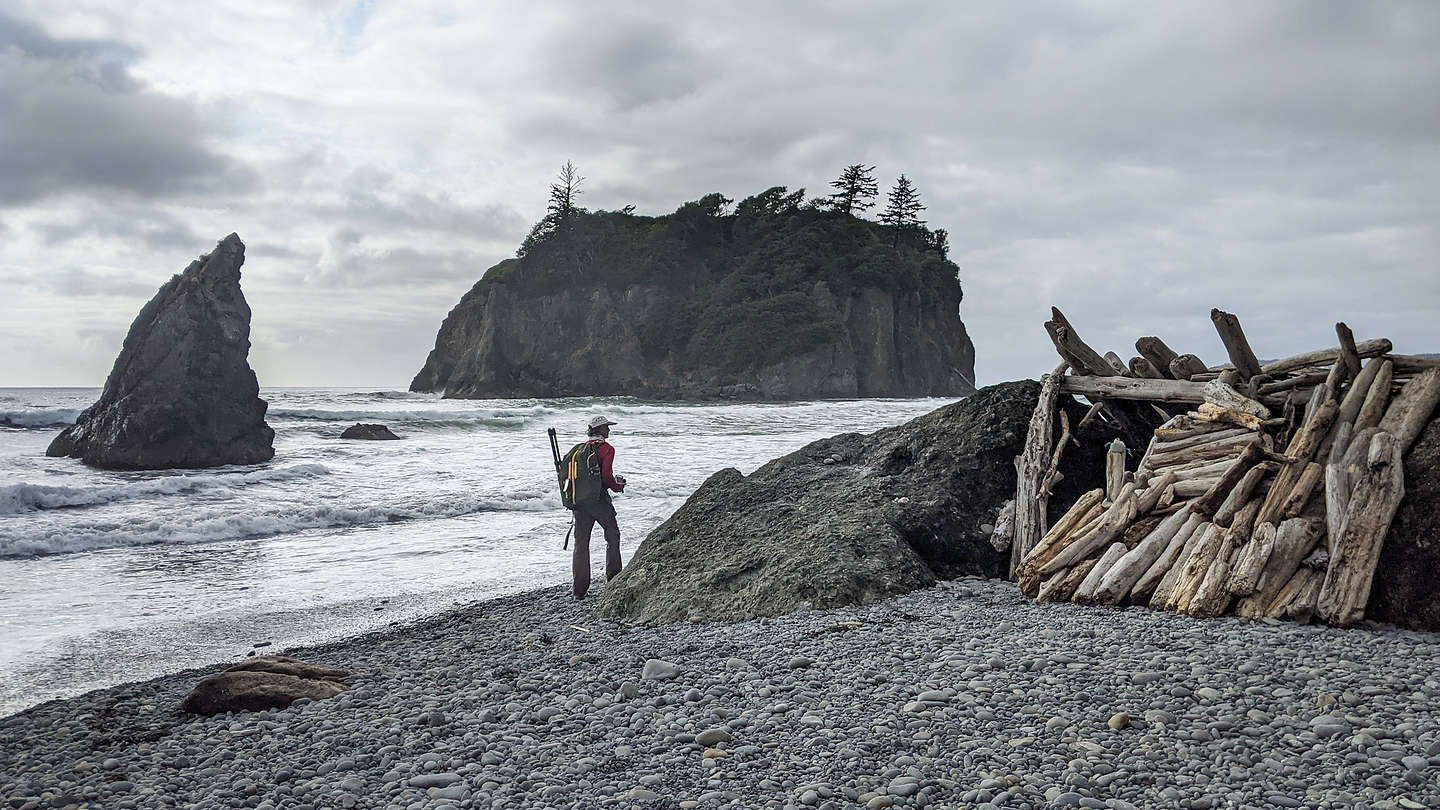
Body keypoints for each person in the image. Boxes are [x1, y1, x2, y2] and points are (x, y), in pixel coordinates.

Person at [572, 415, 626, 598]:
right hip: (599, 501)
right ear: (599, 430)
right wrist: (618, 486)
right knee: (612, 537)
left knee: (581, 544)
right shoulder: (606, 449)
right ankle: (614, 581)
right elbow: (607, 478)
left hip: (579, 503)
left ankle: (579, 590)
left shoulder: (579, 450)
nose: (609, 430)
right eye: (606, 428)